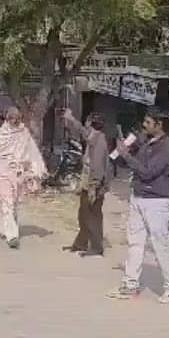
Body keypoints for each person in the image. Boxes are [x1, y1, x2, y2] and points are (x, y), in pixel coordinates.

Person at [108, 107, 169, 303]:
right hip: (138, 197)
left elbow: (148, 172)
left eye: (148, 123)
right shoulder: (146, 143)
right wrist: (124, 151)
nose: (144, 125)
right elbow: (131, 165)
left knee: (160, 244)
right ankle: (130, 284)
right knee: (135, 242)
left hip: (157, 201)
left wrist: (127, 155)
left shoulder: (168, 148)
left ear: (159, 125)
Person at [0, 106, 46, 249]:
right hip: (3, 171)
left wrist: (36, 170)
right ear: (7, 118)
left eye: (17, 117)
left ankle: (4, 227)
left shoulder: (24, 132)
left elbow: (32, 152)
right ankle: (12, 235)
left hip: (18, 173)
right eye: (12, 117)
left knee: (13, 202)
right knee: (7, 201)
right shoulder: (0, 133)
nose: (14, 120)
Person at [62, 109, 109, 257]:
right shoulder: (93, 137)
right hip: (87, 182)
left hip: (94, 184)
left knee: (93, 215)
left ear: (91, 123)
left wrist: (94, 186)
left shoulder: (99, 141)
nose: (85, 124)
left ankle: (96, 248)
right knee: (83, 214)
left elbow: (98, 166)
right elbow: (81, 130)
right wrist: (70, 118)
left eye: (87, 122)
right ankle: (80, 243)